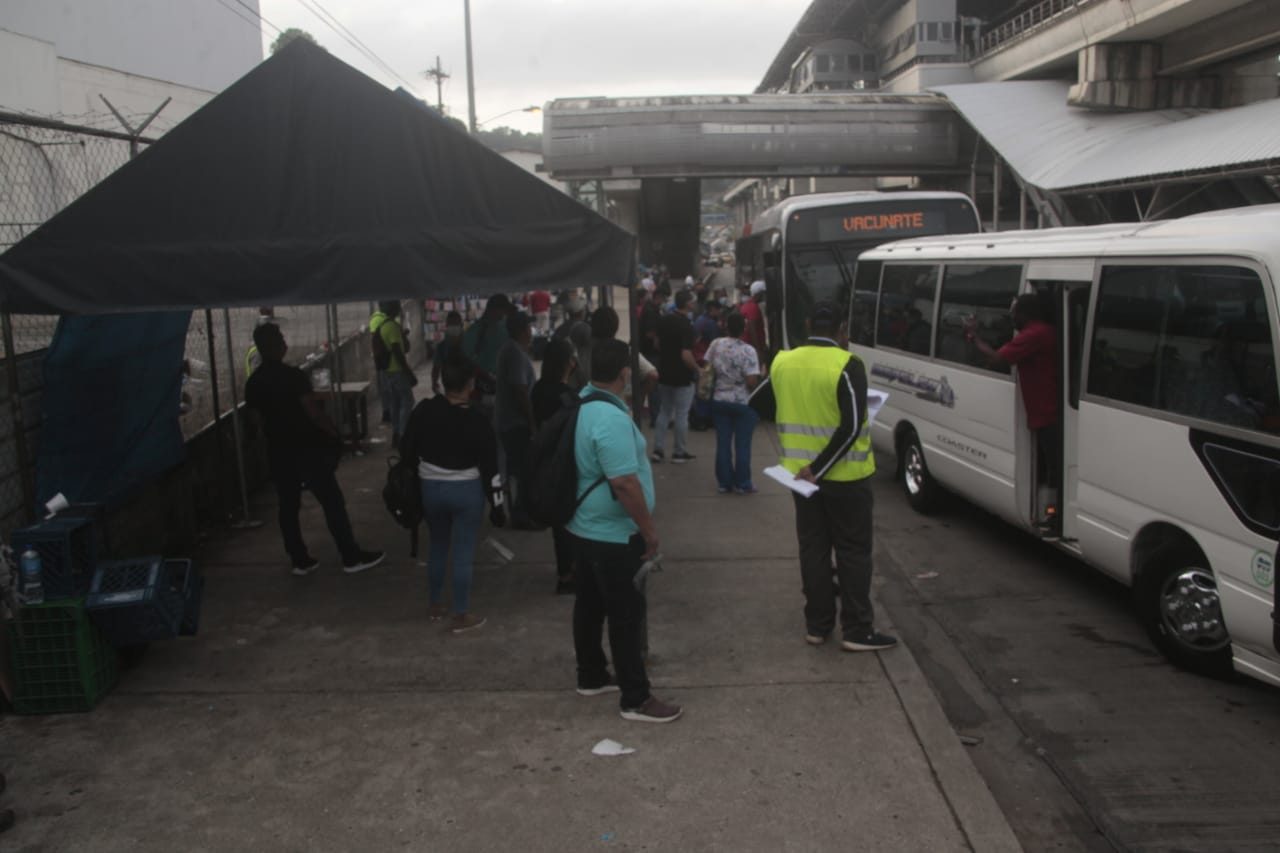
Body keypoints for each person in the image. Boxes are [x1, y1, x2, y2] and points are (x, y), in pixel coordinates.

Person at [761, 302, 897, 653]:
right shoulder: (846, 364)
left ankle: (817, 626)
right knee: (852, 552)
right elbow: (851, 426)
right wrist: (819, 468)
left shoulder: (781, 361)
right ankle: (857, 629)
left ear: (808, 323)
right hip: (845, 478)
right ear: (843, 329)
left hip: (798, 478)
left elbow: (761, 405)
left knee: (813, 549)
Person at [568, 338, 682, 723]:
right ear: (624, 373)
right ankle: (636, 697)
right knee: (626, 615)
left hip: (584, 530)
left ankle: (592, 675)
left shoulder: (583, 405)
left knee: (589, 605)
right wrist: (648, 531)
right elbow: (624, 484)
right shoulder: (611, 418)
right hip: (612, 535)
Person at [244, 323, 384, 576]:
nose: (285, 342)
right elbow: (313, 412)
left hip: (279, 451)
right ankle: (350, 556)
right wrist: (333, 432)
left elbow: (255, 423)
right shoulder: (292, 376)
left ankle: (299, 559)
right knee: (332, 501)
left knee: (288, 505)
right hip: (306, 448)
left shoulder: (254, 383)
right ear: (275, 345)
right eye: (281, 338)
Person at [402, 354, 505, 633]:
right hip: (466, 492)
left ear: (443, 380)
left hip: (431, 489)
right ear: (471, 384)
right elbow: (491, 468)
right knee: (462, 552)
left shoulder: (424, 411)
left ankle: (435, 605)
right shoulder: (477, 420)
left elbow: (406, 450)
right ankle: (461, 615)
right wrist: (498, 505)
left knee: (437, 546)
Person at [964, 293, 1060, 531]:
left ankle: (1054, 518)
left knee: (1053, 468)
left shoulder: (1034, 335)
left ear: (1026, 313)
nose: (1011, 316)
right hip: (1047, 411)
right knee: (1050, 465)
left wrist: (973, 336)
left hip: (1047, 412)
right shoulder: (1045, 331)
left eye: (1013, 312)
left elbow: (997, 359)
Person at [531, 337, 580, 594]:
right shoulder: (568, 396)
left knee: (559, 522)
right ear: (568, 363)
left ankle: (566, 572)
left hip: (544, 460)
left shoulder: (539, 389)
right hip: (565, 461)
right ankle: (570, 573)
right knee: (569, 518)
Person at [706, 312, 762, 494]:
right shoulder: (748, 351)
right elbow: (752, 381)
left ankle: (724, 482)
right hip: (741, 401)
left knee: (723, 442)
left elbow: (708, 366)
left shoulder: (716, 345)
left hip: (719, 399)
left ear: (726, 326)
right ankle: (743, 482)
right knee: (742, 444)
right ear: (744, 329)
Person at [494, 312, 539, 528]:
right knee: (520, 471)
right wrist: (532, 422)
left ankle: (520, 512)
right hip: (515, 423)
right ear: (523, 331)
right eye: (529, 328)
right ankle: (520, 515)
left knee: (518, 469)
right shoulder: (514, 354)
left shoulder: (511, 350)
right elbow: (520, 391)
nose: (531, 332)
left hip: (510, 421)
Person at [651, 290, 699, 464]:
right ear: (687, 304)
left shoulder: (663, 320)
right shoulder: (687, 326)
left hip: (665, 372)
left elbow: (656, 343)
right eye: (692, 301)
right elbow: (686, 355)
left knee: (664, 411)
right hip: (683, 376)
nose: (694, 304)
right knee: (681, 414)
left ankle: (658, 449)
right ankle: (679, 452)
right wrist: (697, 369)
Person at [377, 301, 417, 449]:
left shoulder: (384, 325)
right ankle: (402, 434)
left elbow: (403, 347)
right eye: (398, 307)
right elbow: (398, 352)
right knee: (408, 401)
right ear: (394, 309)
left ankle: (396, 433)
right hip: (397, 371)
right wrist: (408, 372)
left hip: (388, 372)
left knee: (396, 403)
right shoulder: (393, 327)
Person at [462, 294, 512, 406]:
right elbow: (465, 360)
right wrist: (484, 375)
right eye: (502, 310)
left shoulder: (505, 327)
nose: (504, 314)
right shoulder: (476, 331)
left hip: (502, 385)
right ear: (493, 309)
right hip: (481, 387)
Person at [369, 302, 393, 424]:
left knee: (388, 388)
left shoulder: (388, 318)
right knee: (385, 388)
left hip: (388, 360)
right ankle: (387, 412)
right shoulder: (377, 319)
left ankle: (389, 411)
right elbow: (375, 341)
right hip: (384, 361)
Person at [431, 311, 464, 396]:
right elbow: (436, 367)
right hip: (450, 387)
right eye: (451, 324)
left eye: (456, 324)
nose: (453, 327)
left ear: (461, 325)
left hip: (469, 387)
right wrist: (434, 382)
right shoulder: (441, 347)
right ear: (446, 326)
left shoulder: (470, 343)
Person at [741, 280, 768, 363]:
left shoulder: (748, 305)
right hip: (752, 348)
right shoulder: (753, 308)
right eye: (763, 293)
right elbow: (752, 329)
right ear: (759, 294)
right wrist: (758, 350)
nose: (765, 296)